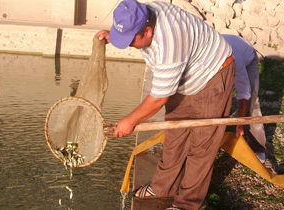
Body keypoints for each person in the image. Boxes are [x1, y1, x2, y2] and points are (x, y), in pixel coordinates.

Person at [96, 0, 235, 209]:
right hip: (186, 72)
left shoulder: (169, 43)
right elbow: (133, 32)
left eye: (130, 40)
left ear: (149, 31)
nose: (129, 45)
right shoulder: (142, 12)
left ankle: (187, 203)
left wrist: (129, 121)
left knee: (201, 147)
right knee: (174, 137)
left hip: (212, 75)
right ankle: (163, 187)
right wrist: (117, 36)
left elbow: (158, 100)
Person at [222, 34, 266, 163]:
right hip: (230, 50)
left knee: (252, 102)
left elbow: (244, 94)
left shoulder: (236, 60)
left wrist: (240, 123)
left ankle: (258, 148)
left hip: (247, 58)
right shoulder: (206, 57)